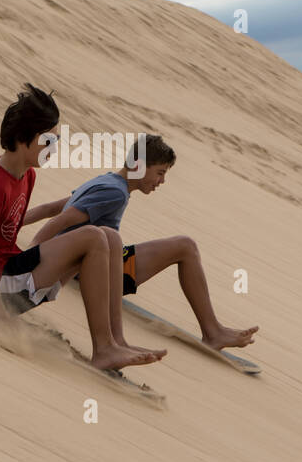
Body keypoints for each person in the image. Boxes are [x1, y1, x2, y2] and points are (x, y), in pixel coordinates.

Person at [0, 85, 165, 371]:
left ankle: (115, 342)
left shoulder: (25, 176)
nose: (55, 148)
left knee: (110, 236)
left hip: (12, 270)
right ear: (26, 138)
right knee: (92, 236)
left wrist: (37, 253)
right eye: (49, 140)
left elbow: (14, 223)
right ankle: (104, 350)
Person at [30, 134, 258, 352]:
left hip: (89, 259)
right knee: (185, 246)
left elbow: (49, 208)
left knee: (181, 245)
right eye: (160, 172)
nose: (162, 181)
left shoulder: (106, 181)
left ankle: (213, 331)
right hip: (95, 270)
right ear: (138, 165)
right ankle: (213, 332)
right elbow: (60, 219)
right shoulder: (115, 192)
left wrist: (7, 227)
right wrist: (27, 260)